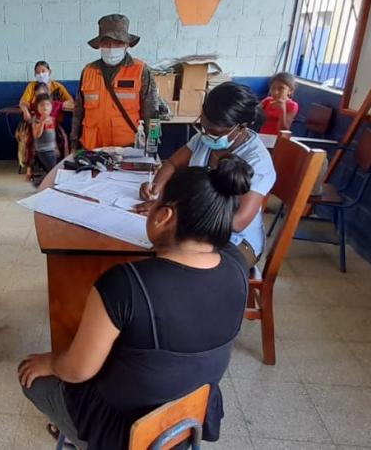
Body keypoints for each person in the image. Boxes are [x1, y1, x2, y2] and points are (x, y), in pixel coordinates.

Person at [19, 156, 252, 450]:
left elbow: (78, 370)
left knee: (31, 372)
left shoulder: (125, 284)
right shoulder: (237, 265)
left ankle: (75, 431)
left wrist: (50, 361)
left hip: (125, 430)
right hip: (191, 411)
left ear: (163, 216)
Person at [139, 82, 276, 268]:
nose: (206, 134)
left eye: (214, 131)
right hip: (195, 232)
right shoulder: (204, 139)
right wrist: (156, 190)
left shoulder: (258, 162)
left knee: (170, 265)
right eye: (203, 126)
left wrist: (176, 211)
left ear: (241, 127)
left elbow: (238, 223)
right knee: (148, 254)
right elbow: (171, 164)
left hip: (234, 242)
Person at [70, 14, 158, 151]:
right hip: (92, 149)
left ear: (127, 44)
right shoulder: (88, 71)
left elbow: (153, 113)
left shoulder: (141, 70)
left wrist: (153, 145)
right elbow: (78, 112)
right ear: (99, 45)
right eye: (106, 42)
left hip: (127, 149)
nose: (111, 47)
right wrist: (74, 143)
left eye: (118, 42)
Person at [31, 93, 59, 178]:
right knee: (53, 171)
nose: (45, 107)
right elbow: (36, 135)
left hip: (52, 149)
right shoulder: (36, 120)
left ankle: (46, 184)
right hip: (43, 151)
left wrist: (56, 147)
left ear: (51, 106)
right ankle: (49, 186)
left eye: (48, 104)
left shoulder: (52, 119)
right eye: (42, 105)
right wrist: (42, 122)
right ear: (37, 107)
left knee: (52, 170)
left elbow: (53, 135)